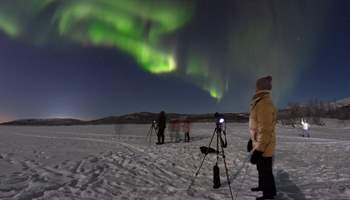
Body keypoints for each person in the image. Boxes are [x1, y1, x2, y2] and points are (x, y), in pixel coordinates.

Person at [248, 76, 277, 200]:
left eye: (256, 86)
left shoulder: (264, 103)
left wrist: (259, 150)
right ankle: (262, 186)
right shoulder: (260, 102)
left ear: (259, 87)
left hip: (264, 145)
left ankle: (269, 195)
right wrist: (251, 140)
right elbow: (257, 127)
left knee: (266, 171)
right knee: (261, 169)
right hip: (260, 143)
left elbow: (265, 130)